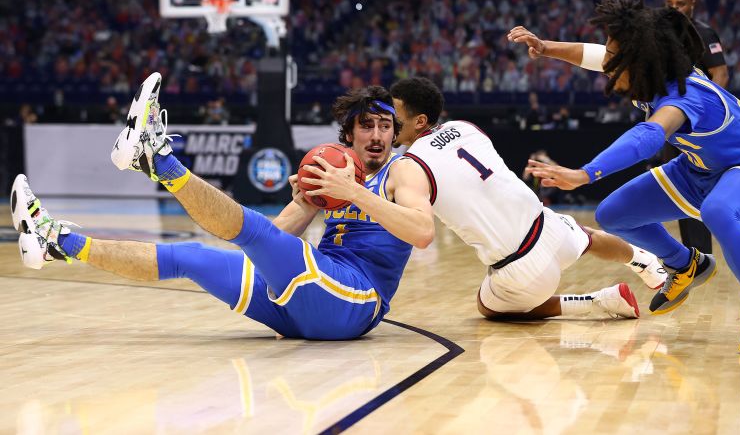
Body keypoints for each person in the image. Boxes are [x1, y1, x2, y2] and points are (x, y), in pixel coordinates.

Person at [10, 74, 433, 341]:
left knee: (252, 232)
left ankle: (158, 160)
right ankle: (57, 242)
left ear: (396, 134)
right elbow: (269, 240)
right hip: (311, 300)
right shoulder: (336, 173)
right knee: (190, 257)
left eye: (385, 125)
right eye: (367, 124)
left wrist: (355, 193)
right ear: (350, 134)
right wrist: (305, 202)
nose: (377, 134)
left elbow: (422, 232)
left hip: (357, 300)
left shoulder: (404, 170)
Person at [509, 0, 740, 354]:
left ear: (638, 61)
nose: (607, 65)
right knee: (612, 215)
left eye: (615, 59)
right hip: (697, 170)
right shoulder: (648, 73)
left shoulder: (684, 97)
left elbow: (649, 137)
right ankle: (686, 264)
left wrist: (585, 174)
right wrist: (546, 47)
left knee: (718, 211)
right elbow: (595, 56)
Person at [388, 76, 668, 322]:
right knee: (589, 237)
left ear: (419, 120)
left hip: (519, 266)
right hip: (548, 227)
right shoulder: (465, 126)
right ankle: (645, 262)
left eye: (395, 113)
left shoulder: (411, 164)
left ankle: (597, 301)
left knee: (488, 307)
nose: (389, 120)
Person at [663, 0, 730, 256]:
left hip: (698, 127)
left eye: (680, 4)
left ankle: (705, 252)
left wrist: (707, 116)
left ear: (693, 5)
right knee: (677, 188)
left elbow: (721, 74)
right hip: (669, 123)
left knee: (700, 185)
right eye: (670, 4)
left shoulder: (704, 33)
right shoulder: (658, 34)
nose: (674, 9)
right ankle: (692, 255)